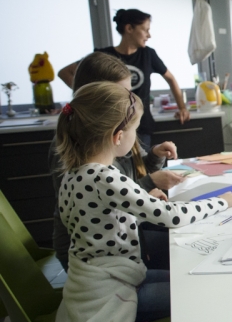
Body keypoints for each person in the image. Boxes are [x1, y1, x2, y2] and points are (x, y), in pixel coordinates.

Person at [53, 81, 232, 322]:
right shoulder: (105, 176)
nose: (136, 138)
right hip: (109, 296)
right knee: (204, 291)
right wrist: (223, 201)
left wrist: (143, 200)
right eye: (134, 130)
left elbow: (100, 221)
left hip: (94, 285)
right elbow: (173, 217)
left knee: (189, 277)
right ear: (118, 136)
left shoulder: (74, 174)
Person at [49, 52, 186, 271]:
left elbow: (134, 173)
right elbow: (94, 198)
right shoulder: (73, 143)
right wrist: (149, 184)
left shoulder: (117, 126)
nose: (128, 99)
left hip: (123, 236)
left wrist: (155, 155)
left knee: (183, 246)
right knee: (180, 257)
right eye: (122, 93)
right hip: (95, 256)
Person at [57, 9, 190, 149]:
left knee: (142, 162)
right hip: (110, 127)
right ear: (129, 28)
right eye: (145, 30)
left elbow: (171, 79)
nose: (149, 35)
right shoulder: (104, 55)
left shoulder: (148, 54)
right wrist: (89, 95)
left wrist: (182, 108)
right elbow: (65, 73)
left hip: (141, 127)